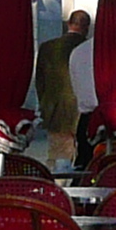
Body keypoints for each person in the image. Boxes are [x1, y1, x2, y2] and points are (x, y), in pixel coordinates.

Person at [35, 11, 88, 165]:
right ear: (87, 27)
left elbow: (40, 82)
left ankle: (58, 187)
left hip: (56, 113)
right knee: (86, 160)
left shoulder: (47, 48)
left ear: (68, 24)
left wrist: (46, 105)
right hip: (85, 112)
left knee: (59, 159)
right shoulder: (89, 48)